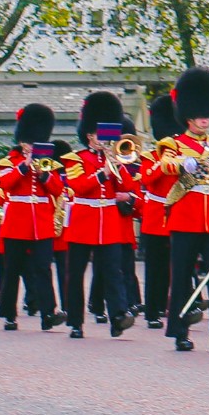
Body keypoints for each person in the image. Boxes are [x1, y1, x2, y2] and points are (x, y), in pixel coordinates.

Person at [136, 67, 209, 352]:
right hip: (184, 219)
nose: (205, 117)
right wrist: (184, 164)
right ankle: (180, 331)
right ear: (188, 114)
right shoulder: (173, 144)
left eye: (208, 112)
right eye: (199, 113)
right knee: (181, 277)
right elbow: (165, 165)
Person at [61, 92, 144, 340]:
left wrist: (119, 167)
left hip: (108, 223)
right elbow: (78, 185)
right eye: (100, 135)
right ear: (89, 135)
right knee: (75, 275)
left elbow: (127, 187)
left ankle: (118, 315)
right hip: (83, 220)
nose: (106, 140)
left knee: (112, 271)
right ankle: (75, 321)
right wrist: (102, 173)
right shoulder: (75, 158)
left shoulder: (114, 159)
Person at [0, 104, 66, 333]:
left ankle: (48, 313)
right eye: (29, 142)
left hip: (41, 224)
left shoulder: (48, 163)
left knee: (43, 268)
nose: (32, 146)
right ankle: (9, 314)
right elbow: (3, 184)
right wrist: (24, 167)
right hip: (16, 223)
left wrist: (45, 175)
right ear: (22, 141)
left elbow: (57, 190)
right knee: (12, 269)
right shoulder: (8, 162)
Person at [137, 95, 179, 329]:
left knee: (180, 266)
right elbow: (148, 178)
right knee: (156, 268)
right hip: (155, 217)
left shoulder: (186, 157)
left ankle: (175, 306)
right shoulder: (149, 157)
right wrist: (164, 159)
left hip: (179, 215)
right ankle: (153, 310)